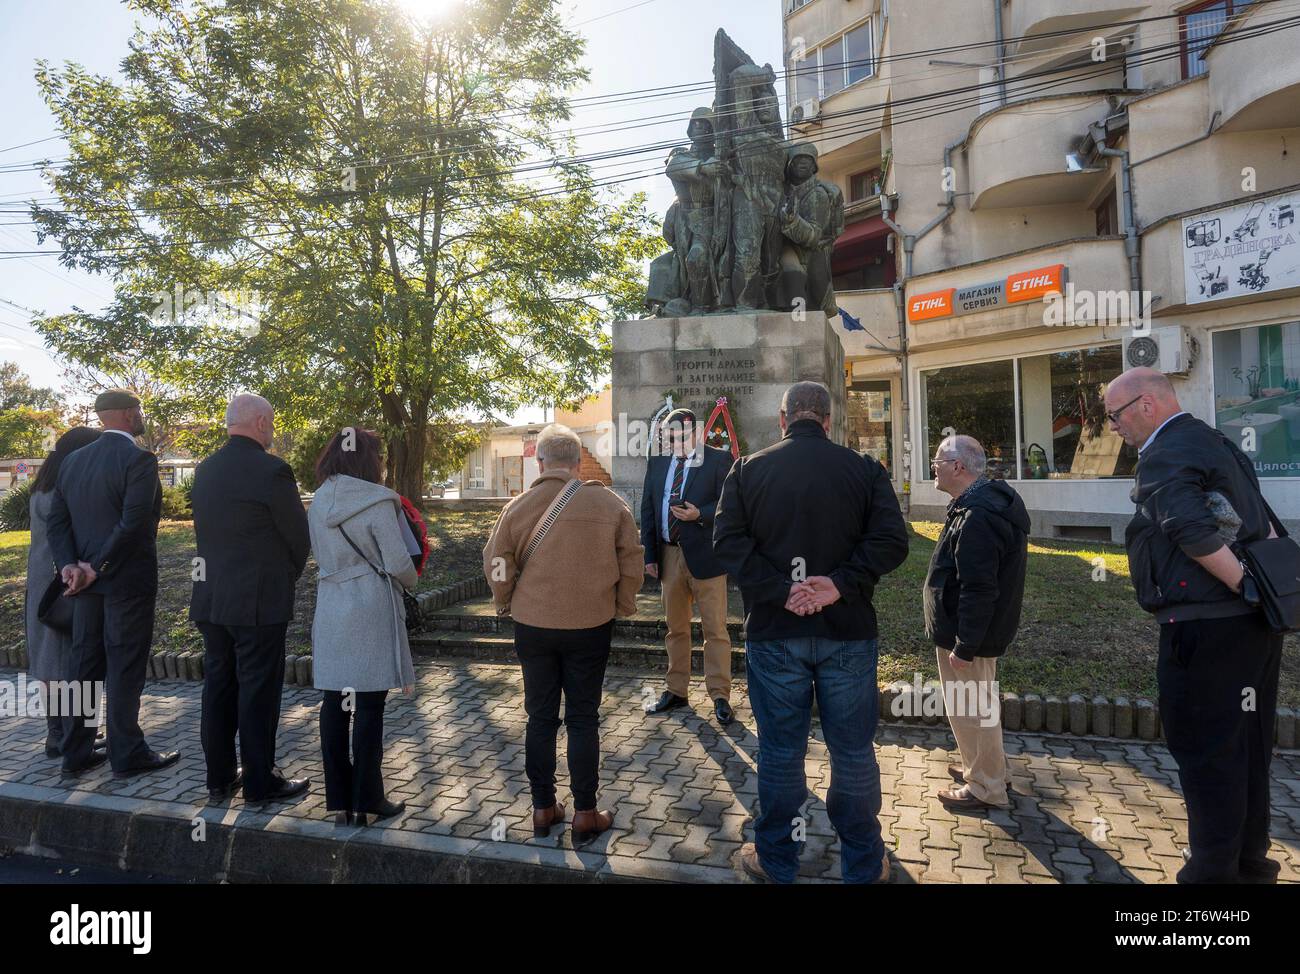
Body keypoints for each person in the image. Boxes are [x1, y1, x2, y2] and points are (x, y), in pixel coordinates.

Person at [714, 381, 908, 884]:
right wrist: (837, 586)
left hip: (776, 630)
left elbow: (727, 544)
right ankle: (863, 862)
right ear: (828, 420)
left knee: (780, 749)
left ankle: (777, 859)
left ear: (783, 421)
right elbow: (891, 542)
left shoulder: (747, 469)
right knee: (852, 749)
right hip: (847, 630)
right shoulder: (865, 470)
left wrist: (783, 591)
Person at [1107, 367, 1284, 884]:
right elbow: (1265, 522)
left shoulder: (1165, 450)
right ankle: (1250, 864)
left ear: (1146, 405)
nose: (1113, 427)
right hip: (1250, 632)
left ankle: (1209, 880)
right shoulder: (1213, 441)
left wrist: (1243, 585)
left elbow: (1187, 525)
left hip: (1205, 630)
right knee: (1248, 747)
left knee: (1208, 752)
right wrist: (1258, 593)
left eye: (1115, 416)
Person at [483, 424, 644, 843]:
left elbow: (496, 561)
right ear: (577, 463)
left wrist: (505, 599)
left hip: (533, 625)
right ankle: (586, 813)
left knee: (539, 716)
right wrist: (622, 603)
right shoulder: (609, 505)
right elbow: (632, 558)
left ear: (539, 462)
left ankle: (542, 808)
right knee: (582, 717)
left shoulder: (517, 507)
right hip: (590, 625)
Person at [47, 388, 177, 778]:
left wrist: (71, 566)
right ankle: (127, 754)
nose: (141, 415)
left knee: (83, 665)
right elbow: (134, 523)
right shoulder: (139, 459)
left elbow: (58, 521)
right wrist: (96, 568)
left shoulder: (72, 461)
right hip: (124, 582)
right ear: (125, 413)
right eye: (138, 409)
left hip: (85, 585)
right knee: (124, 666)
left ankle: (76, 753)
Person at [190, 394, 311, 804]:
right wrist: (285, 574)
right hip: (258, 601)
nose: (273, 430)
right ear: (260, 422)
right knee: (258, 691)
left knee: (218, 687)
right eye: (272, 423)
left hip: (211, 597)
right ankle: (260, 781)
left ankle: (218, 778)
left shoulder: (205, 469)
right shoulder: (273, 470)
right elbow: (298, 538)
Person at [308, 428, 418, 827]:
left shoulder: (319, 500)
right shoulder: (378, 502)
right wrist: (412, 580)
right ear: (368, 460)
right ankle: (369, 797)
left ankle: (339, 800)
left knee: (334, 705)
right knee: (370, 707)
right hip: (371, 605)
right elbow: (397, 562)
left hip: (332, 603)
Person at [923, 434, 1028, 811]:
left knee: (972, 708)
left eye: (937, 461)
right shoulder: (976, 503)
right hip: (972, 633)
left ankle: (985, 787)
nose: (933, 467)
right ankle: (985, 768)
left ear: (958, 467)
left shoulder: (979, 514)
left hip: (969, 637)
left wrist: (965, 645)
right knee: (976, 705)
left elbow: (979, 587)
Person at [640, 408, 736, 725]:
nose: (675, 441)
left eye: (681, 435)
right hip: (669, 557)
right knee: (676, 629)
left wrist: (700, 515)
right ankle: (676, 691)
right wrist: (650, 556)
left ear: (696, 433)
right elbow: (649, 509)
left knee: (715, 630)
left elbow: (730, 505)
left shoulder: (719, 460)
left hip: (707, 558)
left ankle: (720, 696)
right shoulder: (657, 463)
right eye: (670, 436)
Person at [25, 426, 102, 759]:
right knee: (73, 659)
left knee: (48, 660)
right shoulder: (65, 490)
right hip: (63, 583)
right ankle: (70, 736)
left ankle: (58, 733)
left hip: (40, 581)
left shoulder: (41, 487)